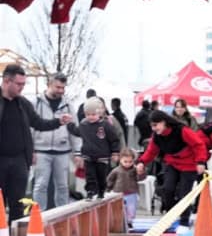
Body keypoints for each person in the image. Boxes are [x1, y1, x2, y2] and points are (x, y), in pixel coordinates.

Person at [0, 64, 71, 221]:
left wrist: (58, 122)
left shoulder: (23, 103)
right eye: (19, 84)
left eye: (24, 84)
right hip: (1, 159)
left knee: (18, 203)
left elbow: (38, 123)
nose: (22, 88)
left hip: (19, 160)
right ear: (6, 81)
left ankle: (16, 233)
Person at [135, 110, 207, 232]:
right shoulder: (157, 136)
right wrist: (142, 162)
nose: (153, 129)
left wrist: (200, 162)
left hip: (189, 165)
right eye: (151, 126)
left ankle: (184, 221)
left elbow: (198, 145)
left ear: (164, 122)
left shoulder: (182, 130)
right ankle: (171, 216)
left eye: (155, 125)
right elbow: (151, 151)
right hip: (172, 163)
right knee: (167, 190)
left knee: (184, 194)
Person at [31, 72, 81, 210]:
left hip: (62, 151)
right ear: (49, 84)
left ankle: (62, 215)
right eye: (58, 87)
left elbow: (75, 129)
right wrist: (30, 150)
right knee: (40, 185)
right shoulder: (36, 103)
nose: (61, 91)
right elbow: (30, 127)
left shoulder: (68, 105)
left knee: (63, 186)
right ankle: (39, 215)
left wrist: (77, 152)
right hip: (41, 150)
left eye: (63, 88)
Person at [67, 97, 121, 200]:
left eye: (93, 114)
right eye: (88, 115)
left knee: (101, 176)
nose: (90, 117)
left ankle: (101, 191)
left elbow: (114, 139)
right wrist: (69, 124)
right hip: (88, 156)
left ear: (99, 113)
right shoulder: (84, 124)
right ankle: (90, 191)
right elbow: (76, 131)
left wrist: (115, 152)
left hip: (102, 157)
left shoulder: (105, 125)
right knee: (90, 175)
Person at [107, 147, 146, 229]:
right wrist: (108, 190)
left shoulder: (135, 169)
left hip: (132, 193)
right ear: (120, 160)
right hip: (118, 193)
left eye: (130, 162)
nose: (128, 164)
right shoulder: (116, 170)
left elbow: (140, 178)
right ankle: (120, 222)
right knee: (119, 209)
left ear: (133, 161)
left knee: (131, 209)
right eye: (125, 161)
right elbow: (110, 180)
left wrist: (140, 172)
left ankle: (129, 221)